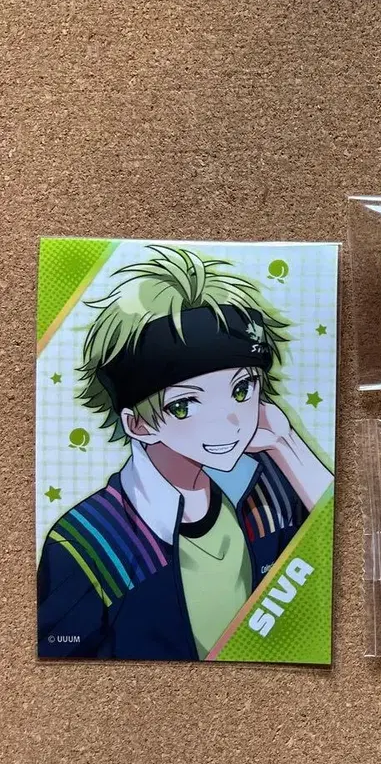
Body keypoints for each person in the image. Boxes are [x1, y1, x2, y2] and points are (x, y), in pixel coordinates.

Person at [37, 245, 333, 660]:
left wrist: (286, 444)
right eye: (184, 405)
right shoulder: (87, 545)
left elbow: (346, 556)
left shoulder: (274, 489)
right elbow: (60, 671)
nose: (229, 422)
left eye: (242, 389)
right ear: (138, 424)